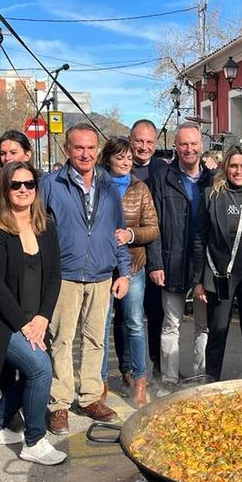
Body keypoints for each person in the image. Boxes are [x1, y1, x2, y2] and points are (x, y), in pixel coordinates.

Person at [0, 161, 66, 465]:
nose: (23, 190)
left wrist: (42, 318)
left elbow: (54, 275)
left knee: (35, 371)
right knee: (40, 368)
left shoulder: (46, 224)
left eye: (29, 184)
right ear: (4, 189)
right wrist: (25, 325)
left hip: (32, 318)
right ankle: (34, 441)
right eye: (15, 184)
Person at [41, 123, 131, 431]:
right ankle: (59, 403)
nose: (85, 153)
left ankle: (91, 397)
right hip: (64, 275)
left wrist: (124, 272)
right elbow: (38, 230)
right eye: (79, 147)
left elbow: (118, 232)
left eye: (91, 148)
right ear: (67, 149)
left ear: (97, 151)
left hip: (101, 275)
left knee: (95, 340)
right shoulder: (51, 184)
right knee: (61, 340)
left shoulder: (108, 187)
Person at [148, 122, 213, 394]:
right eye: (183, 144)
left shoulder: (213, 179)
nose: (189, 149)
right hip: (171, 260)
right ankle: (169, 378)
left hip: (203, 263)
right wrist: (156, 263)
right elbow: (153, 224)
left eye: (194, 143)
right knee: (171, 324)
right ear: (176, 146)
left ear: (201, 145)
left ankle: (200, 374)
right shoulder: (162, 179)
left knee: (203, 325)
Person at [193, 145, 242, 381]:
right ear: (226, 168)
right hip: (221, 276)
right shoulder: (212, 195)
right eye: (233, 166)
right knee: (218, 331)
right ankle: (211, 378)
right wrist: (199, 280)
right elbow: (199, 239)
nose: (238, 171)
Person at [99, 137, 159, 407]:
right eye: (119, 157)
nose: (125, 162)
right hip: (102, 267)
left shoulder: (140, 188)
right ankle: (99, 382)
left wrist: (131, 234)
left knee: (134, 323)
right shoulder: (97, 185)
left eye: (128, 158)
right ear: (109, 158)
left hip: (133, 266)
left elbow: (153, 228)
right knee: (102, 325)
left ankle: (139, 380)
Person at [129, 119, 167, 379]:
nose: (144, 146)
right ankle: (128, 368)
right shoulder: (116, 167)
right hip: (127, 258)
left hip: (153, 254)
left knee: (156, 315)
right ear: (130, 141)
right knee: (127, 320)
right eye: (139, 141)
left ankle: (157, 364)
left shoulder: (162, 170)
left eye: (149, 142)